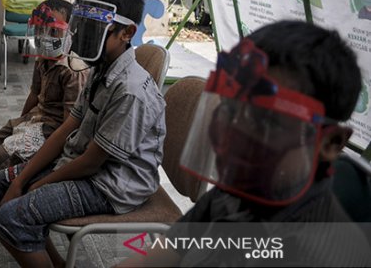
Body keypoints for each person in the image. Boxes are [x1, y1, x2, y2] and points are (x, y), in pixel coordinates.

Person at [118, 20, 371, 267]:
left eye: (267, 121)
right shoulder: (244, 192)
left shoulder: (313, 254)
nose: (235, 134)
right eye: (231, 109)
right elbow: (165, 250)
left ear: (330, 142)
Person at [0, 0, 166, 267]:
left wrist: (36, 187)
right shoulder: (101, 69)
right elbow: (67, 128)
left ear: (127, 33)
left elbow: (92, 162)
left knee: (10, 219)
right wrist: (22, 179)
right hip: (88, 165)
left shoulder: (130, 91)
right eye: (81, 29)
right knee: (3, 183)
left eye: (95, 30)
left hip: (112, 185)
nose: (83, 38)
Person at [0, 0, 89, 232]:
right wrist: (20, 123)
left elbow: (70, 122)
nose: (45, 37)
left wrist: (40, 139)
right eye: (40, 29)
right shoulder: (43, 60)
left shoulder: (72, 69)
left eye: (54, 31)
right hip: (37, 118)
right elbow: (34, 93)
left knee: (6, 152)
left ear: (70, 33)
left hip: (55, 128)